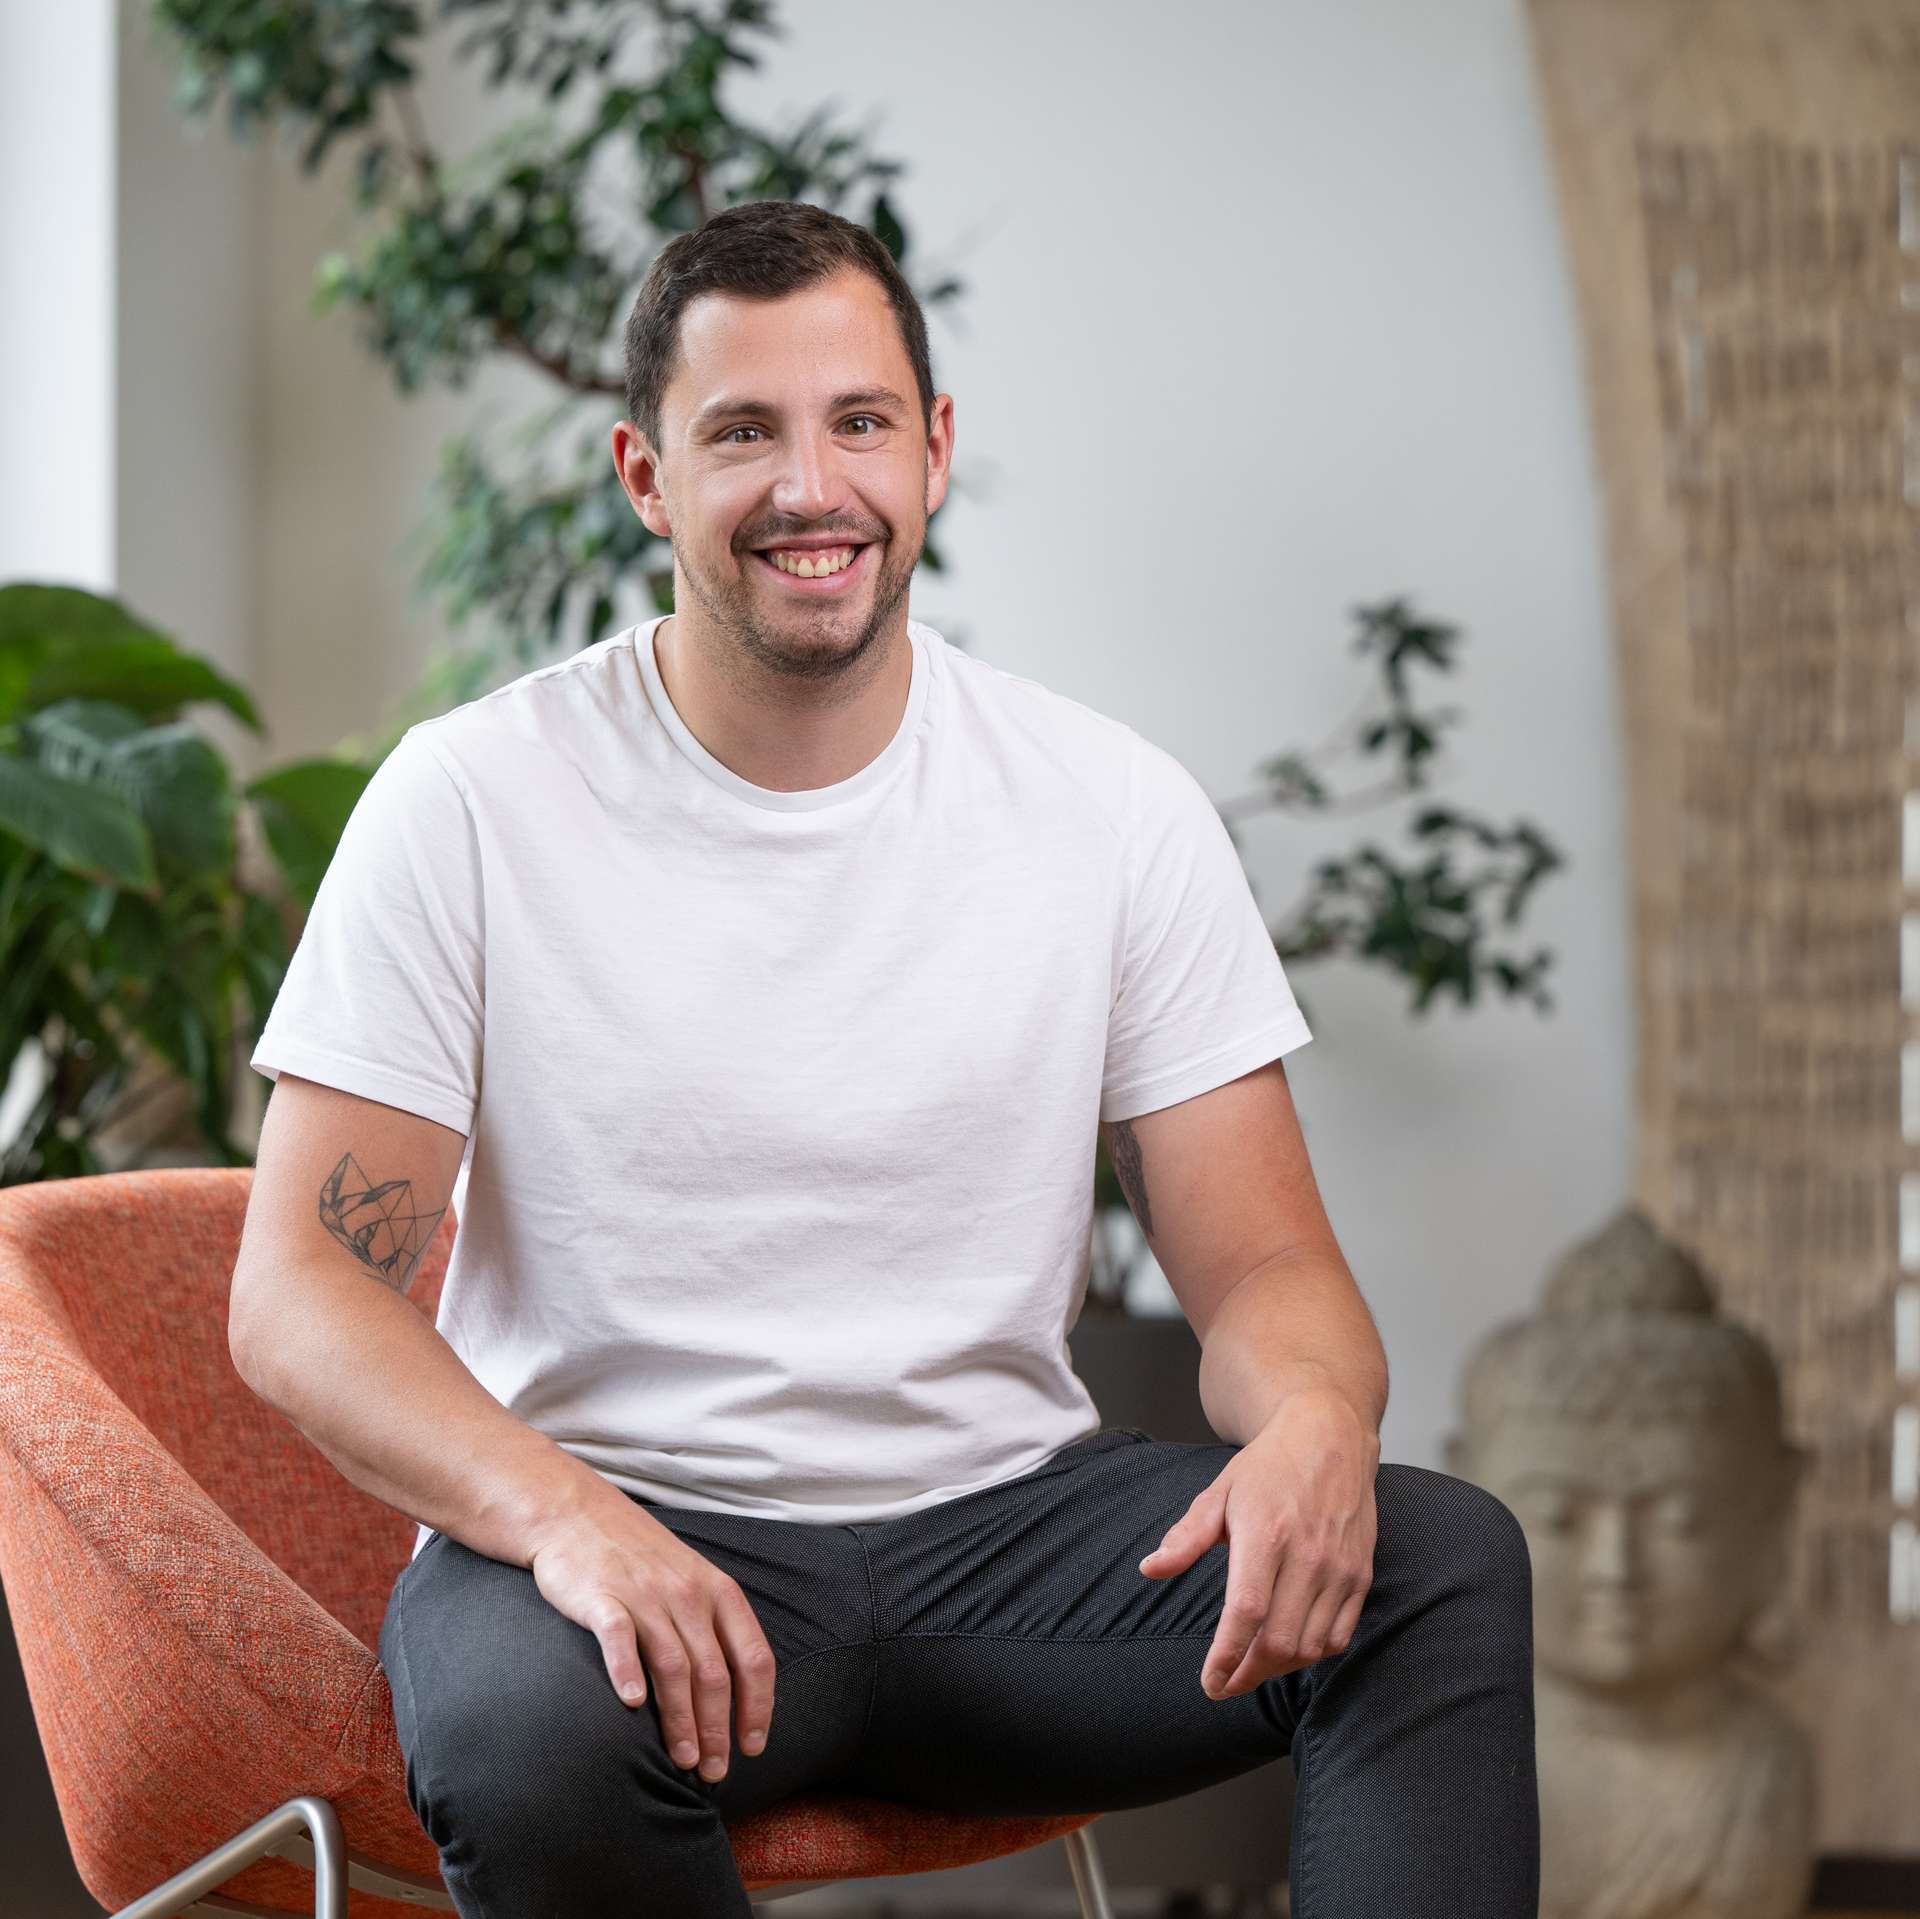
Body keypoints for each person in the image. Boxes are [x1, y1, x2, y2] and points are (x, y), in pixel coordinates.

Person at [231, 198, 1539, 1918]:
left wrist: (1315, 1418)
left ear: (933, 452)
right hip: (628, 1530)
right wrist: (564, 1521)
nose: (811, 486)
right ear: (644, 476)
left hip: (1006, 1548)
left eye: (858, 422)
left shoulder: (1109, 809)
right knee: (515, 1722)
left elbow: (1267, 1265)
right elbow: (304, 1293)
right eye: (742, 434)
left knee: (1439, 1564)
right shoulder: (471, 801)